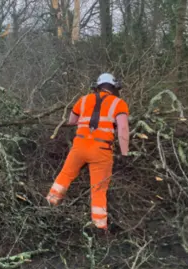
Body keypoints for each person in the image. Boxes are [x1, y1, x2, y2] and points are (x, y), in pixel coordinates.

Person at [45, 73, 130, 232]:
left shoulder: (83, 100)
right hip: (101, 151)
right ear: (114, 87)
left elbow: (71, 121)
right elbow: (123, 129)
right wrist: (124, 153)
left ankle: (50, 205)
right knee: (98, 189)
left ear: (97, 86)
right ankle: (99, 226)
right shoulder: (119, 103)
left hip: (79, 147)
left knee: (65, 176)